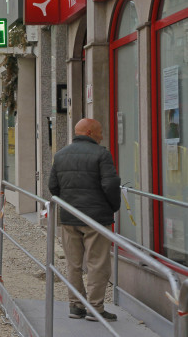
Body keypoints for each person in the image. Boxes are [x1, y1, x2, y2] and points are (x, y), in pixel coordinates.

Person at [49, 118, 121, 322]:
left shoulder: (60, 155)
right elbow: (110, 185)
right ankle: (95, 308)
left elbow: (53, 187)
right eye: (99, 131)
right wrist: (113, 208)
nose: (102, 136)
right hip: (96, 218)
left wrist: (68, 205)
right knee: (97, 263)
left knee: (73, 263)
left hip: (69, 217)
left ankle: (76, 306)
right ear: (89, 132)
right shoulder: (102, 154)